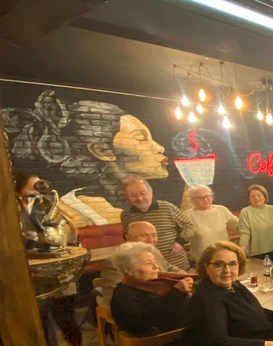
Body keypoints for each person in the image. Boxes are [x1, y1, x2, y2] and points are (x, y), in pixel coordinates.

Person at [5, 90, 169, 223]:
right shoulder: (73, 211)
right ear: (103, 151)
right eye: (141, 138)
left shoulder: (157, 207)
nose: (159, 148)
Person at [16, 172, 89, 346]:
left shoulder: (49, 207)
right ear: (19, 190)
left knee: (68, 325)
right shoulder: (11, 214)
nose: (40, 189)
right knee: (38, 328)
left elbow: (62, 237)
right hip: (31, 280)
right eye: (33, 186)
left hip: (58, 277)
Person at [109, 242, 194, 336]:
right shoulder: (124, 296)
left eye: (154, 261)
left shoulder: (158, 283)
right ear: (128, 270)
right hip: (167, 341)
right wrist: (177, 293)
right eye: (148, 263)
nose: (156, 267)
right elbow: (146, 325)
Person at [99, 221, 183, 306]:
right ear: (128, 237)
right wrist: (174, 293)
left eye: (154, 235)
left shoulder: (153, 252)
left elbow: (168, 267)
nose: (151, 240)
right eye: (144, 235)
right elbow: (118, 298)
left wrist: (188, 277)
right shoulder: (116, 261)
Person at [121, 176, 193, 270]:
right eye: (134, 195)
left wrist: (180, 242)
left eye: (143, 193)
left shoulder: (167, 207)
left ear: (151, 193)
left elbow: (188, 226)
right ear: (128, 197)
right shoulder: (126, 215)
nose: (140, 198)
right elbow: (129, 238)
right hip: (147, 267)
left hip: (176, 264)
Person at [182, 185, 239, 263]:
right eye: (200, 198)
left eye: (207, 196)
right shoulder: (187, 216)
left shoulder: (222, 210)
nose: (205, 200)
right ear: (193, 200)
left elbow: (237, 225)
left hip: (224, 257)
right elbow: (182, 237)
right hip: (202, 260)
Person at [238, 184, 273, 258]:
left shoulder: (272, 209)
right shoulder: (245, 212)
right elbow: (244, 234)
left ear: (265, 197)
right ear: (249, 199)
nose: (256, 198)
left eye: (259, 195)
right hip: (256, 255)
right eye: (252, 196)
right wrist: (241, 255)